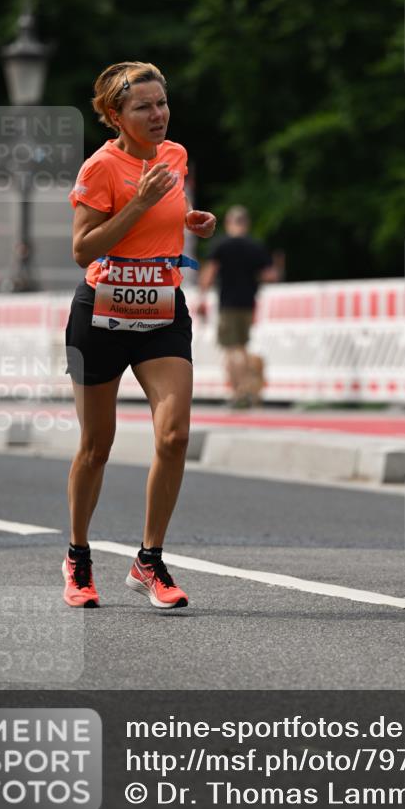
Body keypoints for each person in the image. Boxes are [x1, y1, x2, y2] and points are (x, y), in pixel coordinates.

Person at [63, 61, 216, 609]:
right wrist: (142, 203)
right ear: (114, 115)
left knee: (174, 436)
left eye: (162, 103)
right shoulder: (101, 167)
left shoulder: (174, 156)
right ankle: (78, 556)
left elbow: (161, 218)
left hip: (161, 312)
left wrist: (188, 220)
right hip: (101, 315)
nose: (158, 115)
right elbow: (84, 249)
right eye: (143, 107)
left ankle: (149, 560)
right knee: (96, 446)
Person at [198, 206, 278, 408]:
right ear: (247, 223)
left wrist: (202, 298)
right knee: (242, 346)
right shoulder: (255, 246)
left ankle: (240, 392)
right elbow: (270, 275)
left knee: (232, 350)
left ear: (228, 223)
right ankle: (246, 389)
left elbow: (209, 275)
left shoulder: (221, 245)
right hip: (248, 303)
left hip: (228, 304)